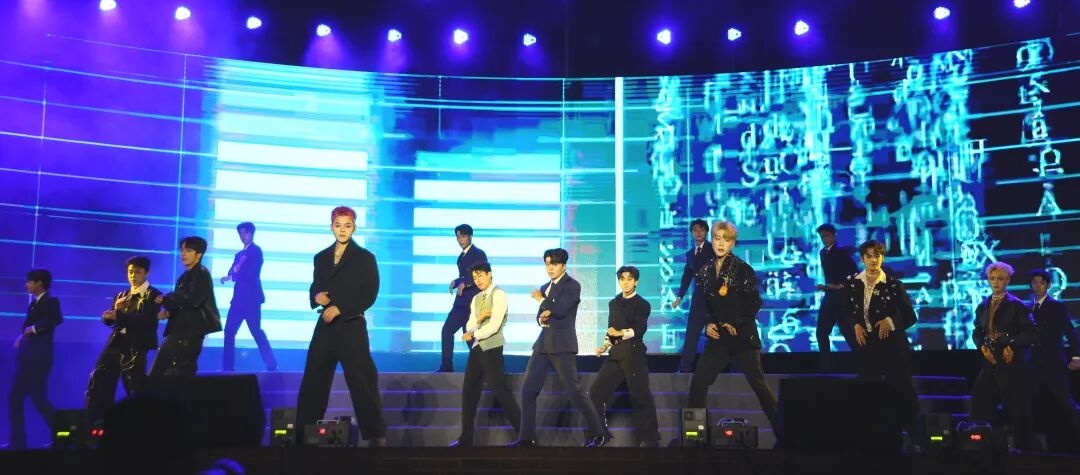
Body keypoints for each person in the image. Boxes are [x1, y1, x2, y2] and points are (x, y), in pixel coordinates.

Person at [296, 206, 386, 447]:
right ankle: (303, 437)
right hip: (325, 327)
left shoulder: (365, 258)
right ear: (331, 227)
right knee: (313, 380)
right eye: (338, 225)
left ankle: (375, 435)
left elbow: (369, 293)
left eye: (347, 225)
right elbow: (315, 287)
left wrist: (340, 307)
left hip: (351, 326)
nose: (342, 230)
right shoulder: (321, 257)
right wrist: (316, 297)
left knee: (362, 382)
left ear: (354, 227)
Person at [687, 221, 779, 436]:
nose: (721, 243)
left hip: (742, 337)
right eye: (717, 238)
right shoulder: (705, 271)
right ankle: (694, 436)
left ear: (733, 243)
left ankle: (784, 433)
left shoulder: (742, 269)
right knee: (699, 381)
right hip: (719, 339)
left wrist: (734, 321)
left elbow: (754, 303)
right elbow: (706, 305)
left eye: (726, 240)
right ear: (712, 240)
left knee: (758, 384)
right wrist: (709, 323)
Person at [509, 248, 608, 447]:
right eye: (547, 264)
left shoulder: (572, 285)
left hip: (562, 345)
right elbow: (542, 316)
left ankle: (599, 433)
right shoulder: (545, 286)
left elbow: (561, 310)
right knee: (528, 390)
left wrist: (541, 299)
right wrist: (542, 318)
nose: (550, 268)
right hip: (543, 345)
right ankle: (527, 438)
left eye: (554, 264)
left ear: (563, 265)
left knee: (574, 391)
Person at [842, 240, 925, 449]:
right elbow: (846, 311)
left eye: (877, 255)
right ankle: (871, 436)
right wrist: (855, 325)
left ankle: (915, 436)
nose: (873, 260)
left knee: (902, 389)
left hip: (892, 346)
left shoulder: (893, 285)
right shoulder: (852, 283)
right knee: (867, 389)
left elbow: (910, 316)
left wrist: (890, 321)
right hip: (866, 346)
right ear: (862, 259)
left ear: (882, 257)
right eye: (869, 256)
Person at [450, 261, 522, 447]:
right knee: (469, 391)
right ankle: (466, 438)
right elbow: (469, 325)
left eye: (480, 275)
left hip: (492, 348)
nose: (477, 280)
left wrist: (475, 333)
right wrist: (480, 319)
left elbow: (494, 325)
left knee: (501, 391)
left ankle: (526, 436)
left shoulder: (499, 295)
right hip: (477, 349)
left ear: (489, 274)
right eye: (475, 277)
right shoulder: (476, 298)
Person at [970, 261, 1038, 452]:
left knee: (1016, 408)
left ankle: (1023, 450)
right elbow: (977, 332)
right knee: (980, 403)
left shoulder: (1017, 305)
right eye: (992, 279)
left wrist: (1012, 345)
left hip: (1011, 364)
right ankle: (983, 447)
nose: (996, 282)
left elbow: (1031, 333)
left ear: (1008, 280)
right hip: (989, 362)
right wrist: (981, 346)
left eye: (1000, 279)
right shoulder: (983, 306)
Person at [588, 265, 660, 447]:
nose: (625, 282)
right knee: (595, 392)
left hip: (634, 354)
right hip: (615, 355)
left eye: (629, 279)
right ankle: (600, 434)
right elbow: (611, 329)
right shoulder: (613, 303)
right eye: (622, 279)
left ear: (636, 282)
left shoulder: (642, 304)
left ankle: (649, 439)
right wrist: (604, 345)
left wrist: (620, 333)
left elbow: (639, 329)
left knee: (640, 395)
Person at [86, 256, 163, 424]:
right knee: (100, 378)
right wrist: (110, 316)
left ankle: (139, 424)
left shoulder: (154, 295)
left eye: (137, 272)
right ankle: (100, 420)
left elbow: (148, 320)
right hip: (116, 342)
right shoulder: (122, 294)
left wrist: (119, 315)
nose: (133, 276)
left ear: (147, 273)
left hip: (135, 344)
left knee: (134, 386)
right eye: (130, 272)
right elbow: (111, 318)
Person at [150, 236, 222, 377]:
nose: (183, 254)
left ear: (198, 254)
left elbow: (193, 300)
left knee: (177, 373)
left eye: (188, 250)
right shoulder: (185, 276)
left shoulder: (201, 274)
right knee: (165, 373)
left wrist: (166, 299)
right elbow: (183, 303)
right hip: (180, 330)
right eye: (182, 250)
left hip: (189, 333)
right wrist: (169, 312)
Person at [6, 269, 61, 449]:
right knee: (15, 398)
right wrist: (23, 336)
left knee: (38, 399)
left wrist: (34, 329)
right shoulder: (34, 304)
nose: (26, 285)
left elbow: (55, 320)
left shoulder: (51, 301)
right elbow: (28, 328)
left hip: (39, 360)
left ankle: (62, 436)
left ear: (39, 283)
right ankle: (17, 441)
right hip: (27, 359)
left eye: (29, 281)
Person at [1027, 269, 1080, 447]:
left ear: (1048, 285)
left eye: (1041, 283)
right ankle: (1029, 445)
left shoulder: (1057, 306)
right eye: (1034, 282)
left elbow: (1070, 332)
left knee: (1066, 401)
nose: (1038, 286)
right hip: (1033, 364)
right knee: (1026, 403)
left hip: (1053, 363)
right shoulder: (1026, 307)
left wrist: (1076, 356)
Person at [220, 222, 277, 372]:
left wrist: (235, 273)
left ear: (251, 233)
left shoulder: (256, 251)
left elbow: (251, 272)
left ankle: (271, 364)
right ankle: (227, 367)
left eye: (245, 233)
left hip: (251, 299)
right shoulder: (239, 254)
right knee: (229, 331)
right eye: (240, 233)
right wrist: (232, 274)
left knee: (256, 331)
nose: (242, 236)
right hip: (238, 299)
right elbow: (232, 271)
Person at [438, 224, 488, 372]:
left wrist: (466, 283)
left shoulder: (478, 253)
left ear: (470, 237)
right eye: (458, 236)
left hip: (470, 303)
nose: (460, 239)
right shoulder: (461, 256)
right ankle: (483, 369)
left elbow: (482, 274)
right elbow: (466, 275)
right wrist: (456, 281)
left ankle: (447, 367)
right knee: (469, 338)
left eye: (463, 236)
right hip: (462, 302)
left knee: (448, 331)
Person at [673, 219, 715, 373]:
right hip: (698, 299)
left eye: (701, 230)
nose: (698, 233)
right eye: (695, 230)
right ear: (691, 233)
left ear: (706, 232)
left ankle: (723, 369)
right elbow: (687, 276)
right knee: (691, 334)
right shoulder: (690, 253)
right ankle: (685, 368)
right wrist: (679, 297)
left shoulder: (714, 249)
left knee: (717, 336)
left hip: (714, 300)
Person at [814, 224, 858, 368]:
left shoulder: (842, 253)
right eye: (822, 237)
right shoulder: (823, 253)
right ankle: (825, 367)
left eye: (826, 236)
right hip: (829, 298)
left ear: (834, 235)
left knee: (849, 334)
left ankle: (864, 364)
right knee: (821, 333)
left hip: (841, 299)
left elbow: (854, 274)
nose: (824, 239)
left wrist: (840, 286)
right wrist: (828, 287)